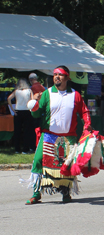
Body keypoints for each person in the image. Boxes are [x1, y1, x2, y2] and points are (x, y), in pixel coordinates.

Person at [23, 65, 91, 204]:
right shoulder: (47, 94)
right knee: (38, 161)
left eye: (60, 74)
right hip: (49, 135)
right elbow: (37, 113)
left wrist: (87, 124)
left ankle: (65, 193)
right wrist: (34, 107)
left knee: (66, 165)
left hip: (68, 137)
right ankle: (36, 193)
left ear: (67, 77)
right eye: (55, 74)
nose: (56, 77)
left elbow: (84, 111)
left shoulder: (75, 95)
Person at [7, 78, 35, 154]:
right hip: (27, 111)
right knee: (27, 131)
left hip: (18, 111)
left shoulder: (16, 91)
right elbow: (33, 101)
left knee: (17, 131)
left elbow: (9, 98)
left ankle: (17, 149)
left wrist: (12, 110)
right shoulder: (29, 91)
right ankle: (25, 149)